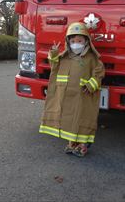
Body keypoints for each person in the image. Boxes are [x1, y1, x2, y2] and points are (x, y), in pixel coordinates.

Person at [39, 22, 105, 157]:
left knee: (82, 118)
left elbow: (99, 72)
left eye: (80, 41)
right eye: (73, 40)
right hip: (66, 95)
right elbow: (54, 66)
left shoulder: (92, 58)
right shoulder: (65, 57)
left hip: (83, 96)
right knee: (68, 118)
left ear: (86, 41)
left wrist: (91, 84)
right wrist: (54, 53)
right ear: (68, 41)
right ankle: (71, 142)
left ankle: (82, 144)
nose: (76, 43)